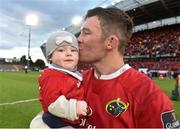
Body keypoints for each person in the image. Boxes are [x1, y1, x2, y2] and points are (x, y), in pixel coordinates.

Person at [77, 7, 180, 128]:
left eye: (86, 32)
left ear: (110, 42)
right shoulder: (78, 81)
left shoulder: (147, 95)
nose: (78, 39)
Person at [30, 31, 87, 128]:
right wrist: (74, 108)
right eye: (61, 50)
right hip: (58, 119)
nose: (69, 53)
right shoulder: (51, 75)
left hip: (72, 118)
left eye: (73, 50)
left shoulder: (74, 73)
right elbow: (52, 101)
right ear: (50, 57)